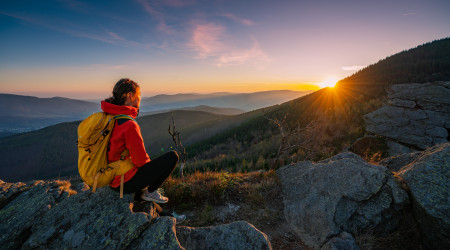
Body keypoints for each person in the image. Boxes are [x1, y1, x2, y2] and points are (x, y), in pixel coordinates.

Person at [101, 78, 180, 207]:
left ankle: (164, 214)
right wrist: (151, 172)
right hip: (124, 182)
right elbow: (140, 161)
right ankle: (150, 193)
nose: (140, 99)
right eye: (139, 95)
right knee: (172, 157)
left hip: (110, 177)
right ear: (130, 96)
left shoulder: (108, 117)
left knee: (142, 187)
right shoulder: (129, 125)